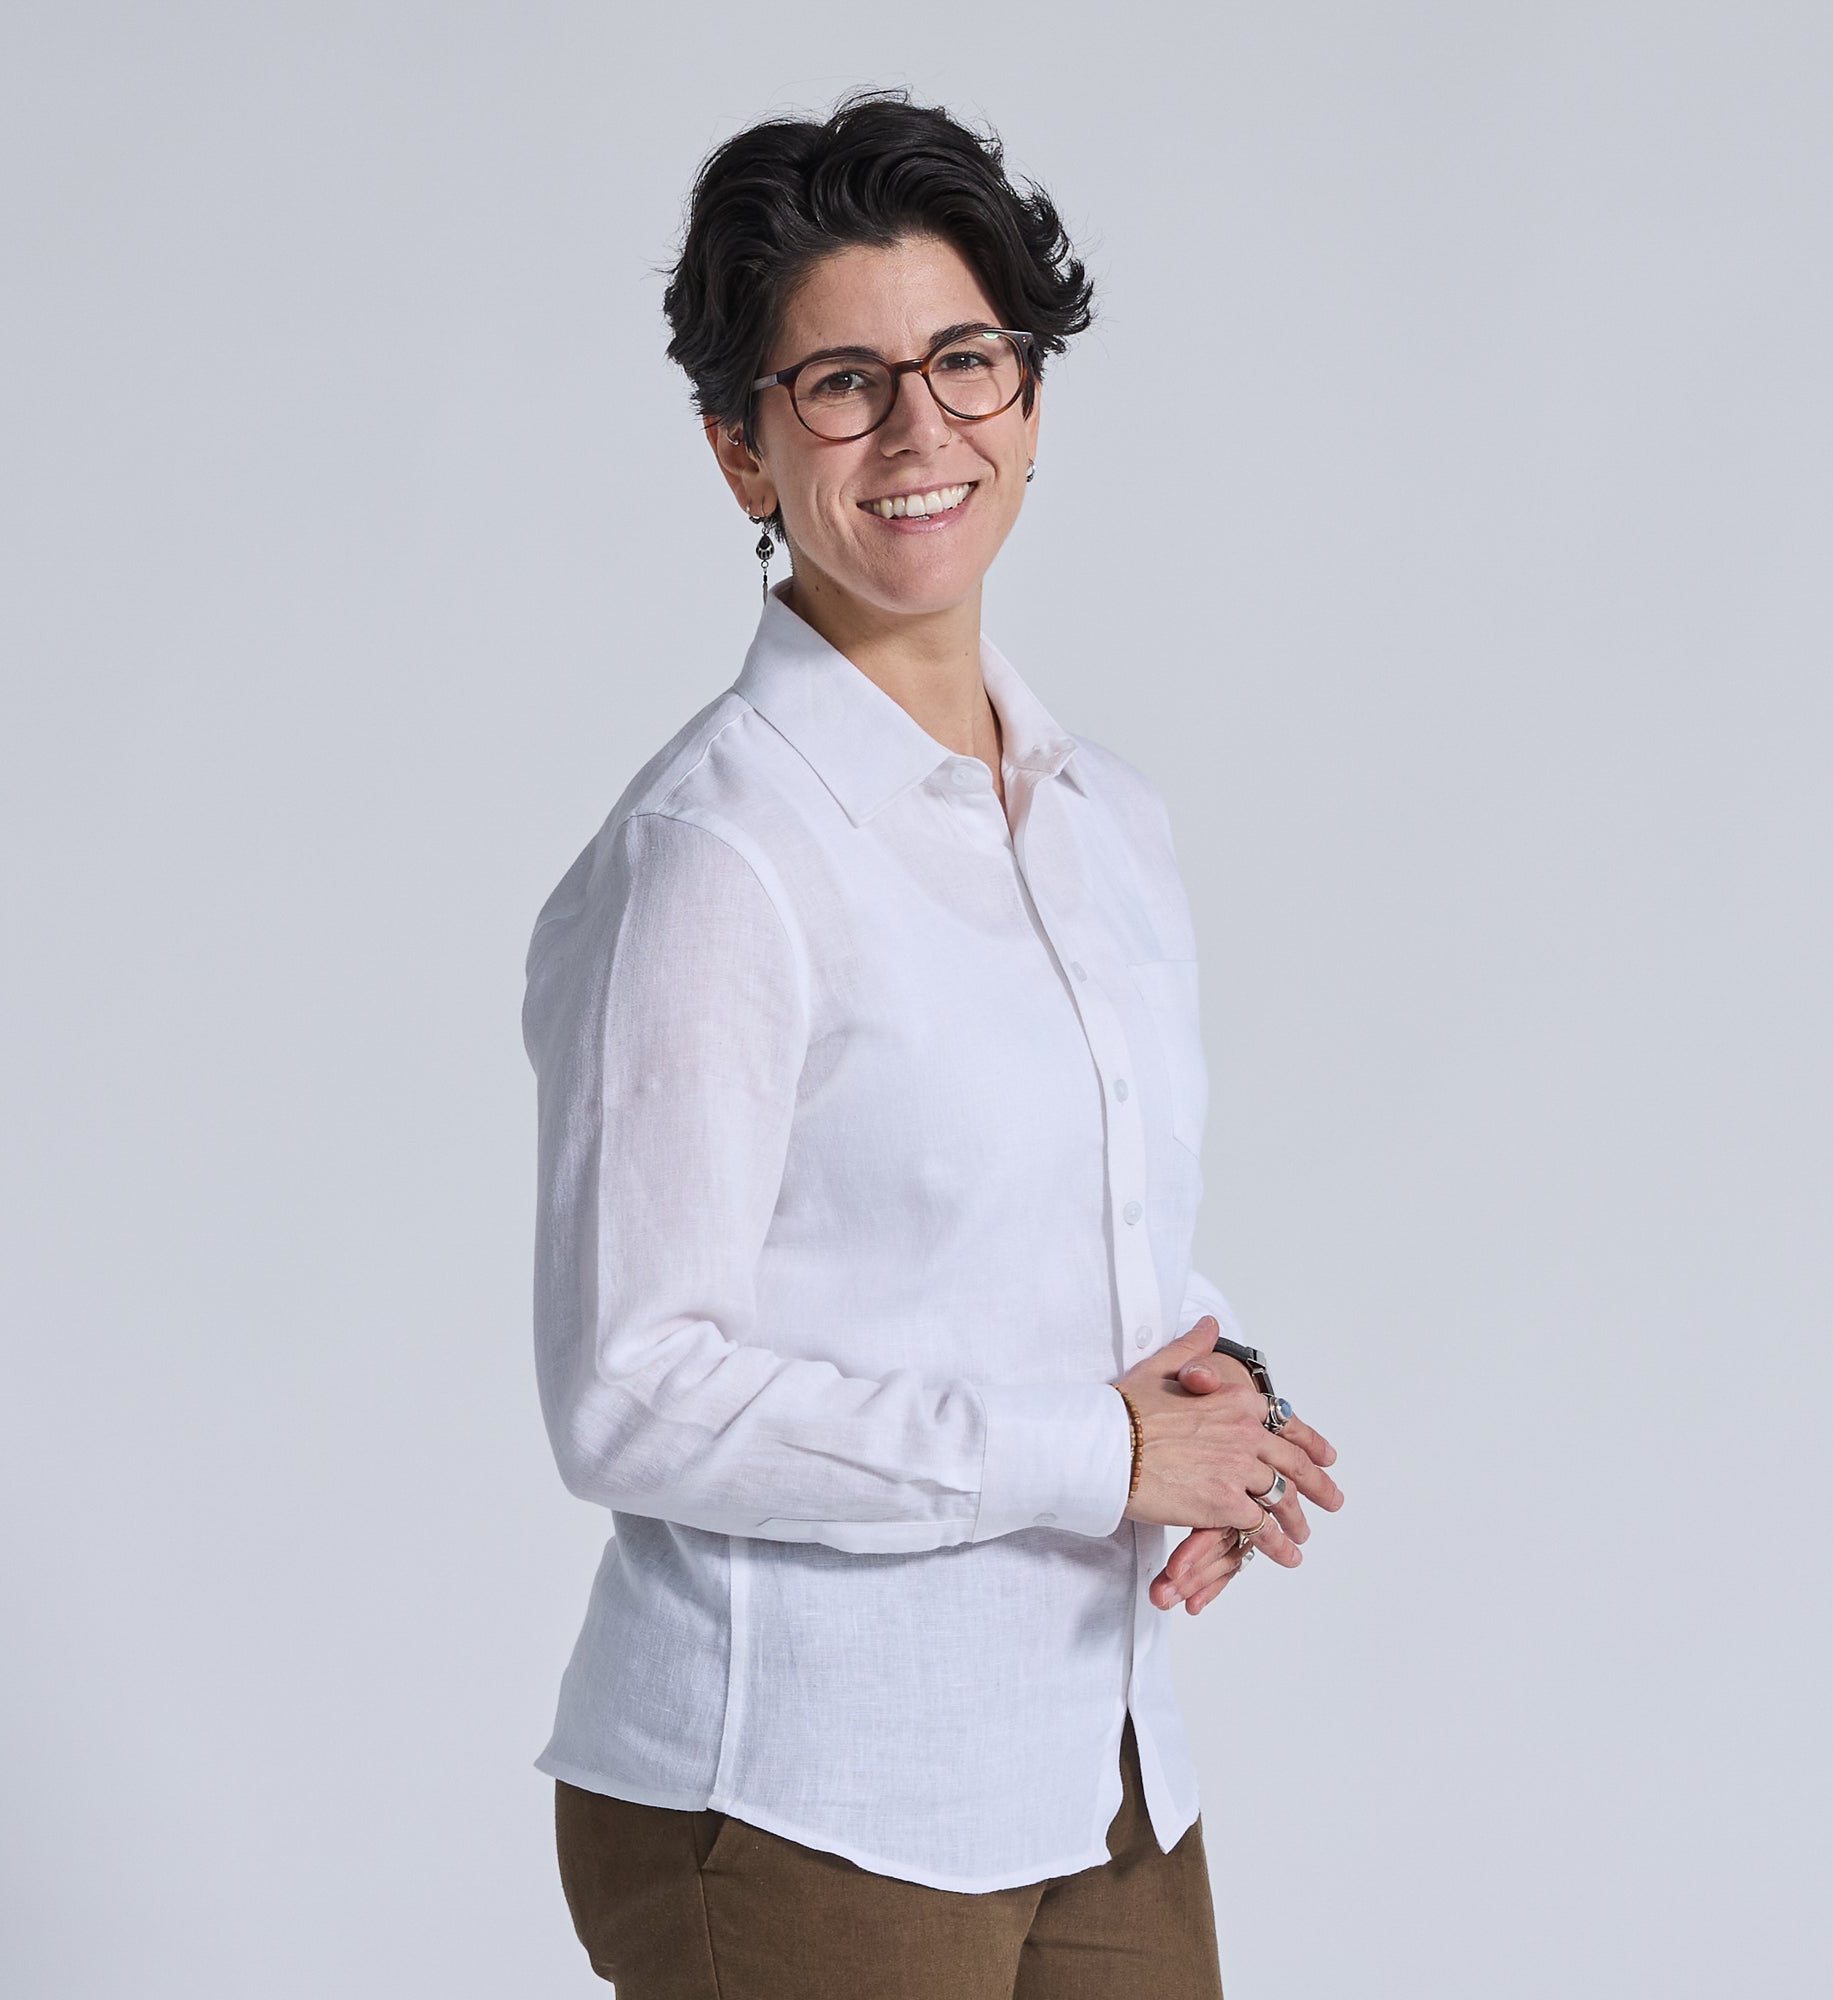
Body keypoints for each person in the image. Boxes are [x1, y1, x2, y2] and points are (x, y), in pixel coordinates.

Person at [521, 90, 1343, 2000]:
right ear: (742, 453)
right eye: (839, 384)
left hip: (1098, 1752)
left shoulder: (1103, 819)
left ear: (1032, 403)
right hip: (808, 1795)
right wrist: (1092, 1454)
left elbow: (1052, 1245)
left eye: (965, 360)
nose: (918, 432)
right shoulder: (719, 856)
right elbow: (630, 1391)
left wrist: (1217, 1412)